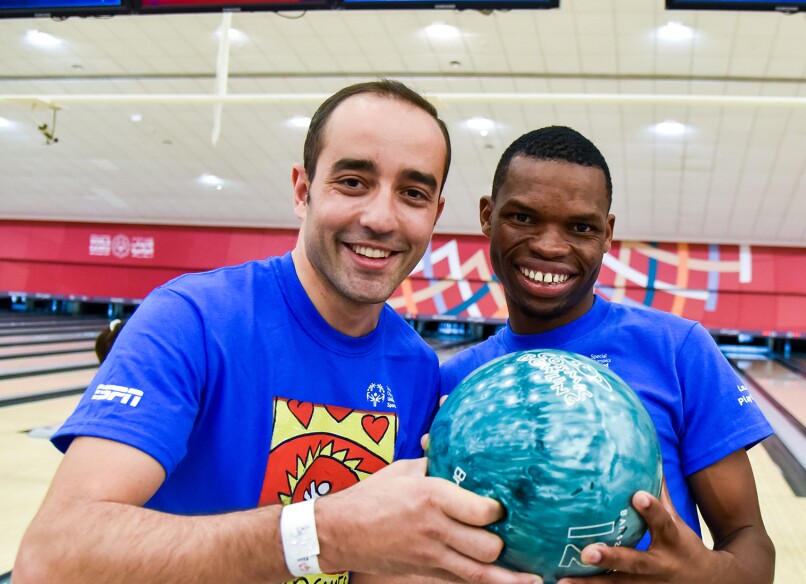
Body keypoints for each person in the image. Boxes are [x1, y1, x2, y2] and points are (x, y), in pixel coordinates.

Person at [14, 81, 541, 584]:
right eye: (353, 182)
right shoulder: (192, 319)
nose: (382, 217)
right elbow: (53, 559)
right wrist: (323, 531)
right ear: (303, 190)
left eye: (413, 192)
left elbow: (382, 565)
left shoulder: (417, 368)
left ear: (434, 214)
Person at [440, 126, 776, 583]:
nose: (549, 246)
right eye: (523, 218)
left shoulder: (677, 350)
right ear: (487, 215)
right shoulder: (453, 385)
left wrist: (702, 575)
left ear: (606, 234)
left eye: (580, 227)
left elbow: (750, 539)